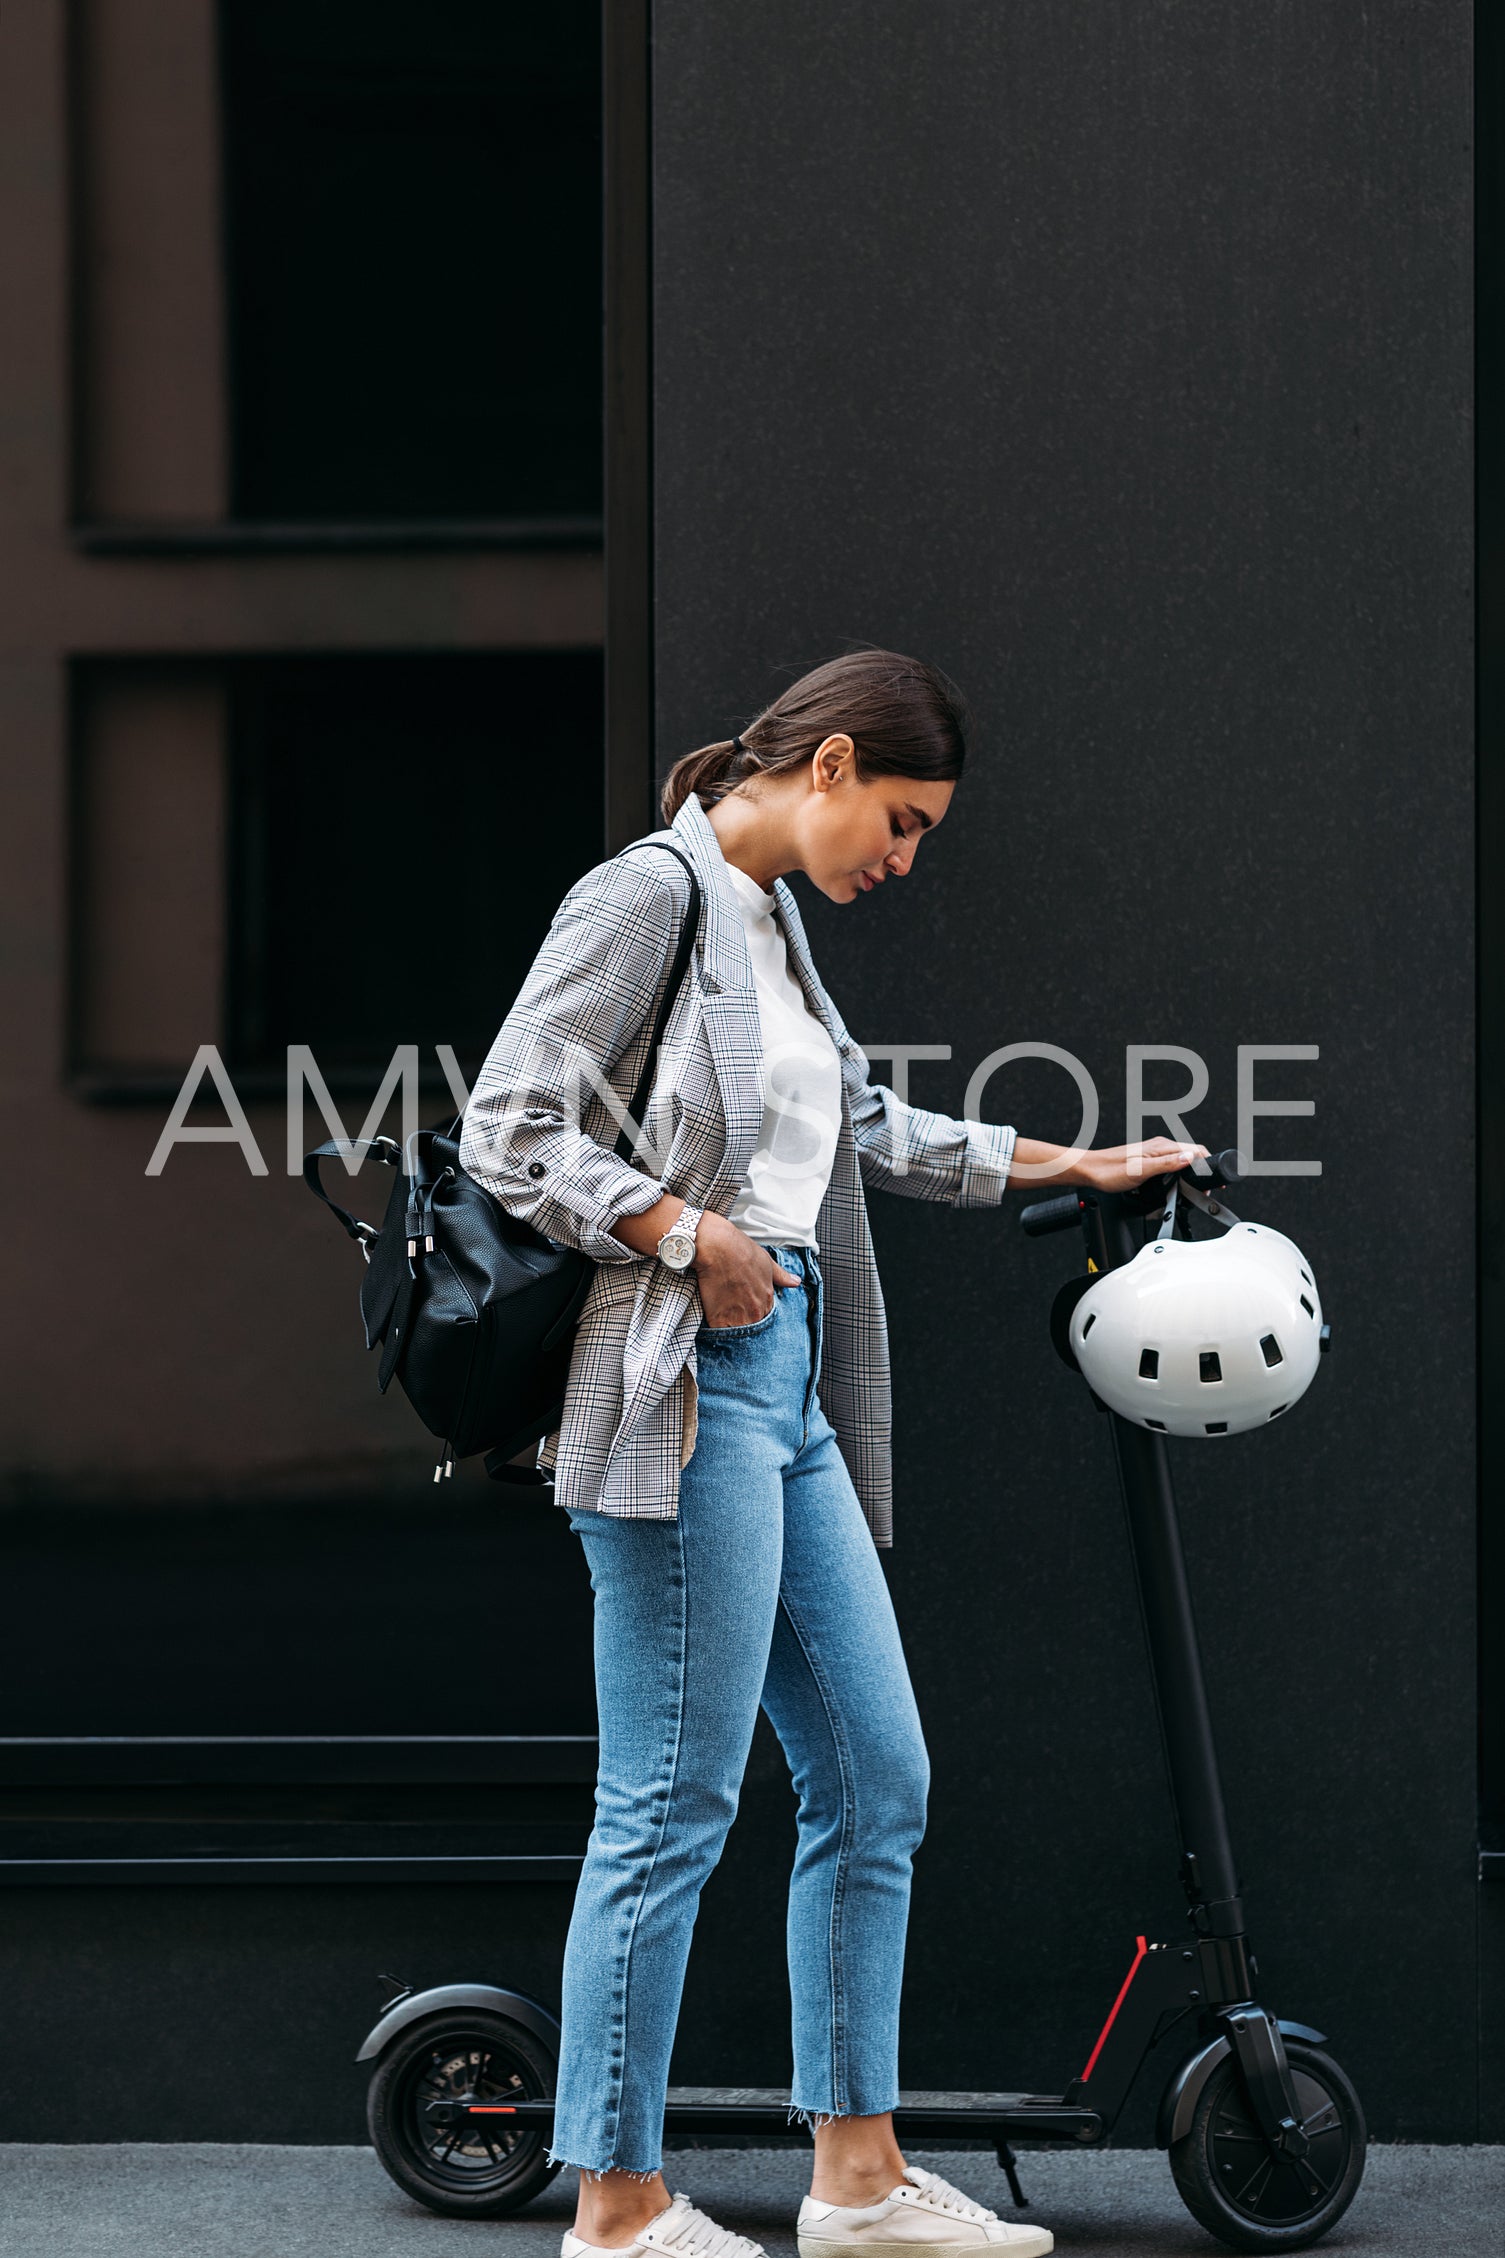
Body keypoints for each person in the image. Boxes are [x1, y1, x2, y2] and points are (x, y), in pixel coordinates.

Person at [459, 649, 1202, 2258]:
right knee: (668, 1802)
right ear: (836, 761)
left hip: (783, 1385)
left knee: (876, 1774)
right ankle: (614, 2203)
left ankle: (854, 2179)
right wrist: (675, 1228)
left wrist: (1075, 1158)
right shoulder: (645, 896)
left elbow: (859, 1125)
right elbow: (508, 1120)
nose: (904, 857)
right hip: (679, 1386)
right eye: (907, 822)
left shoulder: (772, 915)